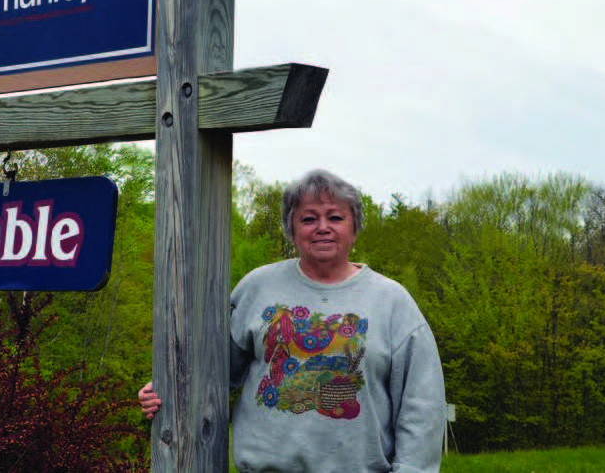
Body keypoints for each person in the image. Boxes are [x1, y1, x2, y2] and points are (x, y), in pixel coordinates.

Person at [138, 169, 445, 472]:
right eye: (308, 218)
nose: (322, 227)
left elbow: (423, 407)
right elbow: (211, 372)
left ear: (354, 227)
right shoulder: (257, 287)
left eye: (335, 218)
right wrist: (168, 390)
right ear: (291, 229)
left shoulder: (392, 301)